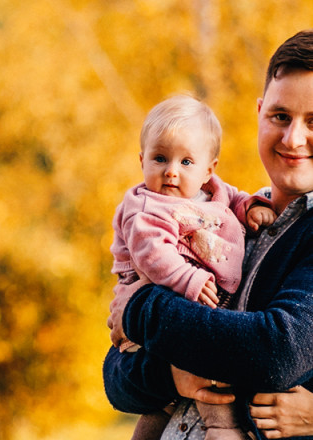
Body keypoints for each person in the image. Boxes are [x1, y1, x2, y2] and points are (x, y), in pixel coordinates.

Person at [103, 29, 313, 440]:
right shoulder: (232, 216)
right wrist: (169, 373)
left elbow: (275, 350)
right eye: (280, 116)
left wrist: (140, 307)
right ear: (258, 113)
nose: (293, 138)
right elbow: (116, 379)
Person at [110, 94, 276, 440]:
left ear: (209, 170)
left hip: (195, 302)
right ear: (142, 161)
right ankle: (222, 429)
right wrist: (188, 278)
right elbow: (152, 254)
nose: (171, 170)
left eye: (186, 162)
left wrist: (251, 208)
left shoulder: (214, 192)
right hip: (161, 293)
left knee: (168, 400)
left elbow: (235, 199)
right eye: (159, 158)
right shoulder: (147, 206)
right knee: (200, 377)